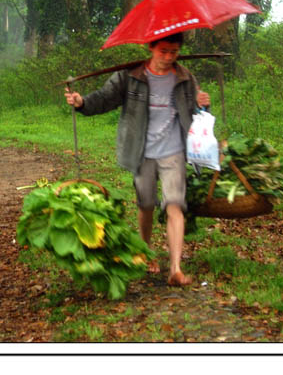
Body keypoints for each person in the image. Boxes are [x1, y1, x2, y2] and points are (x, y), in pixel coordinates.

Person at [64, 32, 211, 286]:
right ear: (151, 48)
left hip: (174, 151)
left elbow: (197, 116)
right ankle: (146, 253)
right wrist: (82, 103)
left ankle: (175, 268)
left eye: (173, 52)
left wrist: (202, 105)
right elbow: (104, 98)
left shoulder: (185, 78)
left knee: (175, 205)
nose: (167, 57)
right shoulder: (130, 76)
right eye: (163, 51)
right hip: (141, 151)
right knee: (145, 204)